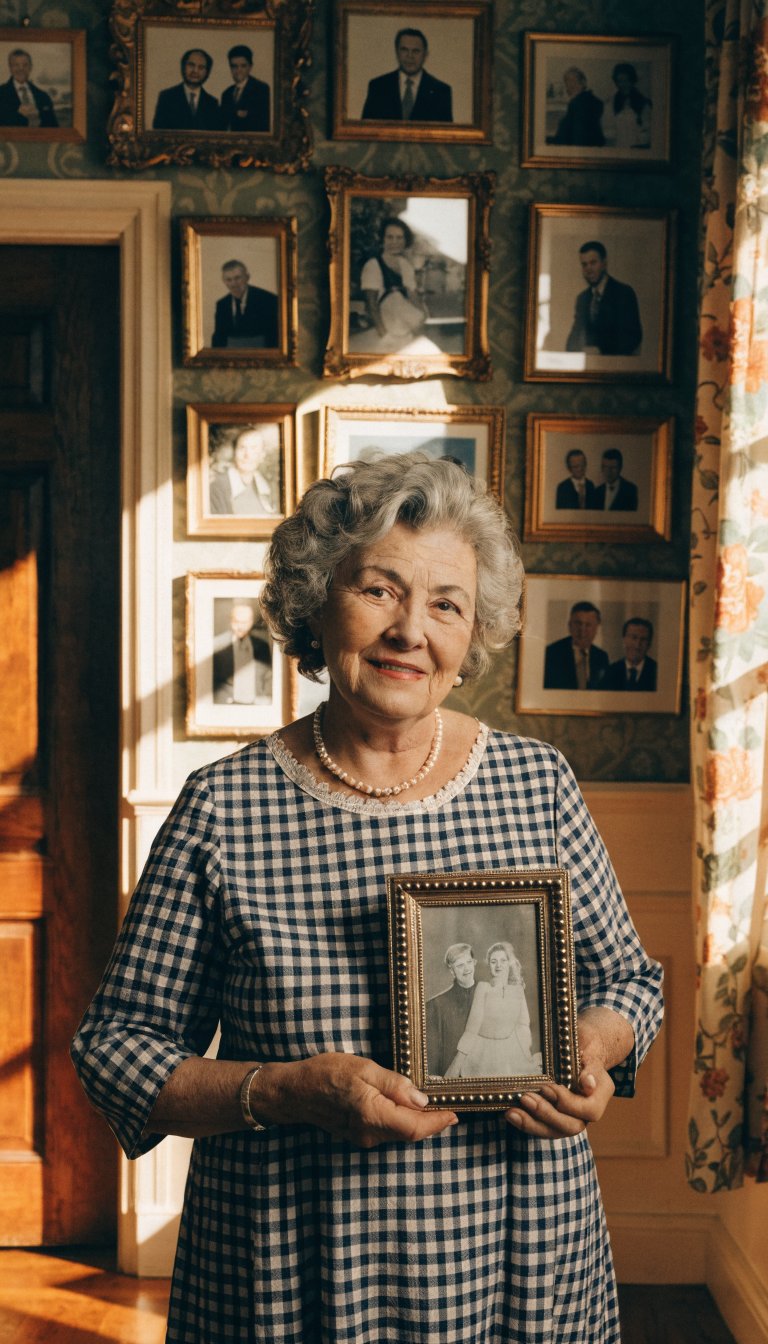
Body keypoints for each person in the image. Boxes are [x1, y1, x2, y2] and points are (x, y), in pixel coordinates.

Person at [71, 453, 663, 1343]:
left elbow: (632, 984)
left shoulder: (538, 783)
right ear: (316, 604)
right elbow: (116, 1053)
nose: (410, 631)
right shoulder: (224, 810)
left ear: (473, 638)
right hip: (292, 1269)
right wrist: (284, 1090)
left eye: (446, 605)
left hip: (522, 1256)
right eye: (380, 590)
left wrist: (592, 1054)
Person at [445, 941, 542, 1078]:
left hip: (511, 1053)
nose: (498, 965)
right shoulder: (483, 988)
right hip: (482, 1055)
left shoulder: (519, 991)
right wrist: (456, 1066)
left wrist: (526, 1055)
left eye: (503, 960)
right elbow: (471, 1029)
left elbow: (523, 1025)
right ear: (488, 964)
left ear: (509, 962)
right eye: (493, 961)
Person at [355, 216, 426, 351]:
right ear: (382, 239)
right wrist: (383, 334)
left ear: (406, 241)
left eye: (399, 238)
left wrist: (423, 316)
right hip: (385, 331)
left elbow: (412, 295)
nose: (395, 242)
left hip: (406, 330)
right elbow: (371, 303)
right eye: (390, 237)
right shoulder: (373, 265)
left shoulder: (405, 265)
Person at [565, 240, 642, 356]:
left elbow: (633, 337)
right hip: (588, 367)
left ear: (604, 263)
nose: (588, 269)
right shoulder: (582, 299)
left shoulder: (623, 293)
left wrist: (601, 350)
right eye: (584, 264)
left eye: (593, 263)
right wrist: (578, 349)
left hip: (617, 367)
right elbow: (572, 341)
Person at [361, 28, 453, 122]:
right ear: (397, 52)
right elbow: (365, 130)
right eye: (404, 50)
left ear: (425, 55)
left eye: (416, 51)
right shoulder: (378, 87)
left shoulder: (441, 91)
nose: (410, 56)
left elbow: (445, 134)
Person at [425, 943, 478, 1076]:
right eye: (460, 965)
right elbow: (432, 1049)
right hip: (452, 1076)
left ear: (474, 963)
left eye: (469, 962)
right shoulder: (436, 1004)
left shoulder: (490, 994)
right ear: (451, 971)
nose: (466, 969)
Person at [209, 427, 279, 516]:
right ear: (234, 452)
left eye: (254, 448)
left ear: (262, 455)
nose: (247, 455)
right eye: (242, 448)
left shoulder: (266, 487)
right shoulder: (218, 485)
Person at [212, 600, 272, 705]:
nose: (240, 627)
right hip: (226, 704)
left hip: (255, 704)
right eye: (236, 622)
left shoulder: (262, 646)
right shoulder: (217, 645)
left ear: (251, 622)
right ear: (231, 621)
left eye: (244, 622)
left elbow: (268, 676)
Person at [211, 259, 279, 349]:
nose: (233, 284)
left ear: (247, 277)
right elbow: (218, 339)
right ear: (224, 281)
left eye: (237, 278)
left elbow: (275, 336)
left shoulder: (269, 300)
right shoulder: (222, 304)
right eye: (228, 280)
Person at [544, 600, 609, 691]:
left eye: (588, 625)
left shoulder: (601, 657)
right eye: (578, 623)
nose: (582, 629)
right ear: (569, 625)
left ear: (596, 628)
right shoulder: (552, 653)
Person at [152, 49, 222, 132]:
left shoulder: (212, 104)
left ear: (207, 72)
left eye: (201, 67)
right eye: (191, 65)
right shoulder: (166, 97)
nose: (195, 71)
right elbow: (158, 133)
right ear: (183, 67)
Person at [0, 48, 58, 128]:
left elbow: (54, 129)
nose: (21, 69)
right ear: (10, 68)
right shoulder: (1, 93)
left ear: (30, 67)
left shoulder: (43, 96)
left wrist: (38, 119)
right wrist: (18, 116)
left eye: (25, 65)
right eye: (16, 65)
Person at [546, 66, 604, 147]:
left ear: (583, 82)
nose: (569, 84)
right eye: (567, 81)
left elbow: (577, 136)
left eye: (573, 80)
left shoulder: (583, 102)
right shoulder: (578, 102)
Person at [220, 44, 269, 133]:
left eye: (243, 66)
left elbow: (264, 124)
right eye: (234, 66)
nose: (238, 70)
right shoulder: (226, 93)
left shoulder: (262, 89)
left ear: (250, 67)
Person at [604, 62, 652, 150]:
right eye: (620, 81)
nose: (623, 85)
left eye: (626, 81)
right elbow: (608, 132)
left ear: (632, 81)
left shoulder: (644, 104)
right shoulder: (610, 104)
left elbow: (647, 132)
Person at [605, 617, 657, 691]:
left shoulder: (656, 672)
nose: (637, 645)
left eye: (643, 639)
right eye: (634, 638)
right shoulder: (611, 672)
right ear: (624, 640)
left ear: (649, 644)